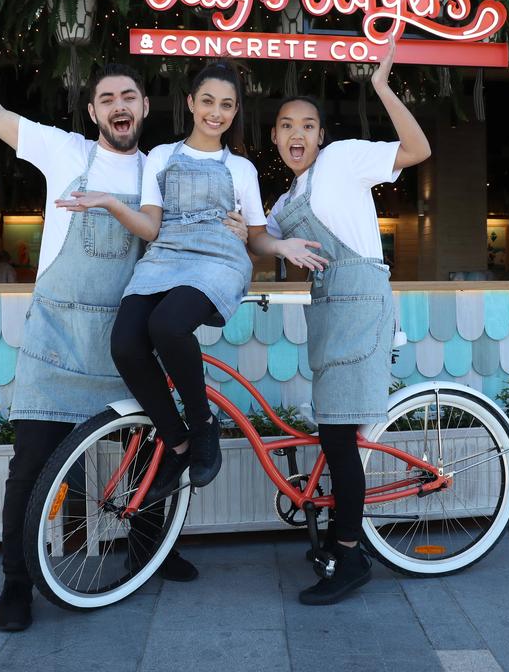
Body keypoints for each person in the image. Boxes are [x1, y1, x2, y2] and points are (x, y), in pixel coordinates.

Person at [0, 19, 247, 632]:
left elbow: (209, 222)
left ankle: (148, 550)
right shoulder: (66, 152)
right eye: (108, 98)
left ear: (144, 107)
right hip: (59, 339)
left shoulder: (162, 169)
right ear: (93, 110)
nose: (120, 107)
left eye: (129, 97)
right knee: (30, 464)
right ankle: (16, 582)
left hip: (126, 339)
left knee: (148, 456)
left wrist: (239, 231)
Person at [63, 62, 324, 503]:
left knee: (167, 325)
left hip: (219, 259)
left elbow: (257, 237)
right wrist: (108, 202)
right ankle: (178, 441)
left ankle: (203, 426)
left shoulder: (241, 168)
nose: (215, 113)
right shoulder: (162, 156)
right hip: (165, 256)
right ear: (191, 103)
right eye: (207, 102)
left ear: (235, 110)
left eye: (226, 105)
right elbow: (149, 228)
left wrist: (283, 248)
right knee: (125, 343)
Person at [252, 42, 431, 605]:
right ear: (276, 139)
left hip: (360, 303)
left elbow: (419, 149)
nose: (296, 132)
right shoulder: (287, 198)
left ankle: (350, 556)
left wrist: (380, 87)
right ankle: (337, 536)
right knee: (335, 431)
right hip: (328, 315)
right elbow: (259, 236)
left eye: (307, 124)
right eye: (286, 125)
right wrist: (272, 240)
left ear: (320, 136)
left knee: (338, 436)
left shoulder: (342, 158)